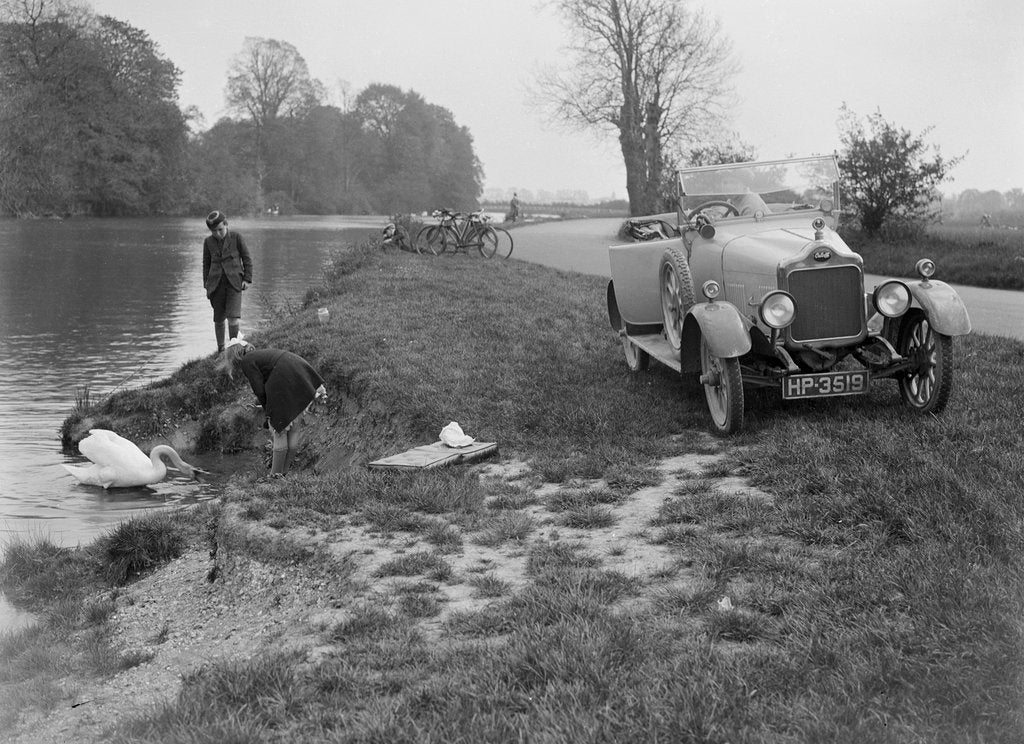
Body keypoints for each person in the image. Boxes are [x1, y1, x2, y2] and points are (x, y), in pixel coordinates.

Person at [220, 337, 326, 477]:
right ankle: (284, 472)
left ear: (234, 356)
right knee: (293, 429)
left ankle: (275, 475)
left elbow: (260, 389)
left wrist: (268, 411)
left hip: (283, 377)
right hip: (298, 371)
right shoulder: (260, 355)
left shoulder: (247, 361)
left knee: (279, 429)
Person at [203, 210, 253, 352]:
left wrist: (247, 279)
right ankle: (220, 349)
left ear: (226, 224)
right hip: (216, 285)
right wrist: (207, 286)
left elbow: (247, 258)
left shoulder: (237, 237)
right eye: (214, 231)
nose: (218, 233)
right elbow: (206, 264)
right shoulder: (208, 242)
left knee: (233, 318)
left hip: (235, 283)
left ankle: (234, 348)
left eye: (220, 229)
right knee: (218, 319)